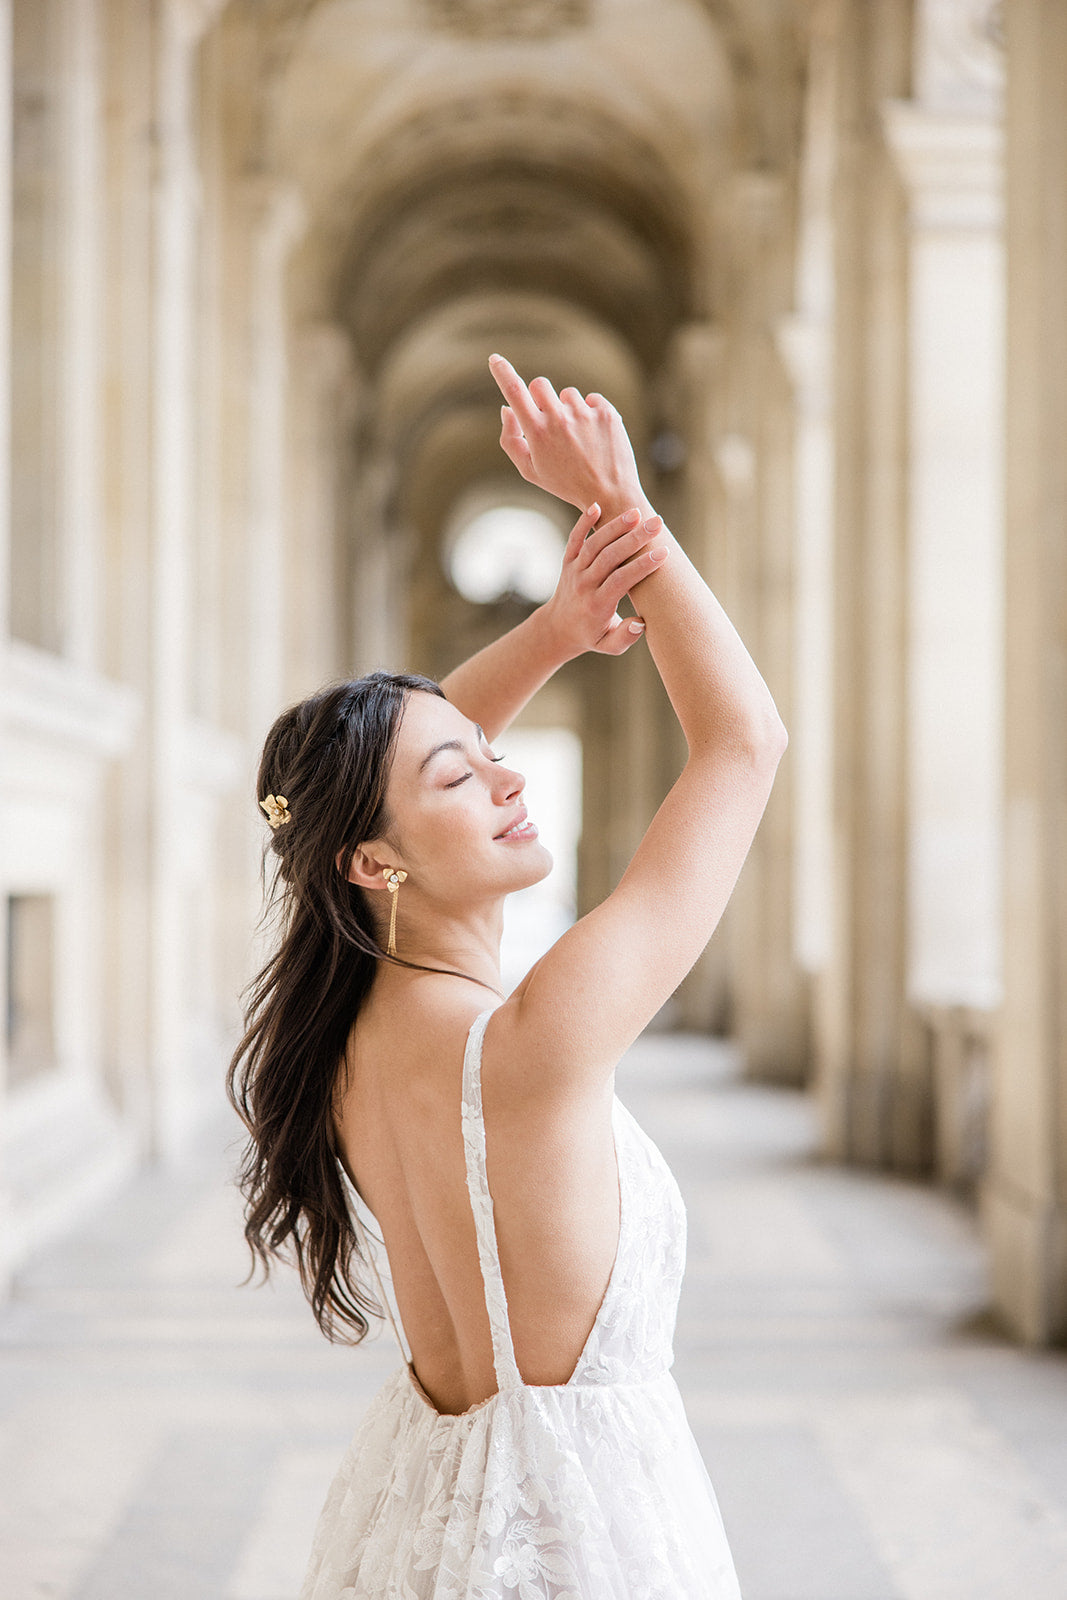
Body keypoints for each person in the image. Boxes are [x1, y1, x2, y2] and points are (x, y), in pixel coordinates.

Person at [228, 354, 787, 1598]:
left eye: (488, 757)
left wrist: (555, 629)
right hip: (586, 1542)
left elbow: (373, 779)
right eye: (464, 777)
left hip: (421, 1523)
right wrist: (623, 512)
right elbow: (745, 743)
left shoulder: (350, 1035)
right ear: (372, 859)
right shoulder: (536, 1036)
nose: (510, 774)